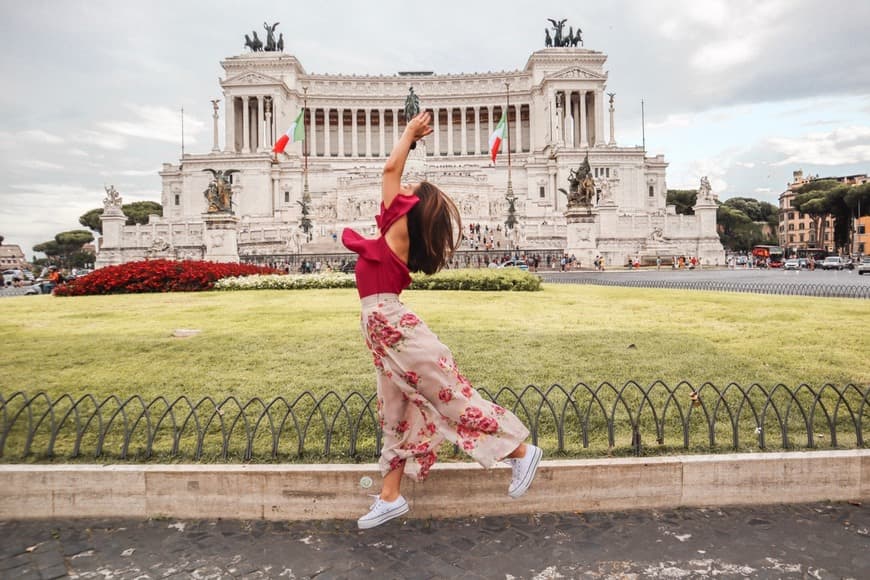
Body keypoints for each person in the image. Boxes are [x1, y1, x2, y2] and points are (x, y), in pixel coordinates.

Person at [342, 111, 542, 530]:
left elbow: (389, 168)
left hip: (397, 331)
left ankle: (520, 453)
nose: (401, 187)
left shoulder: (398, 232)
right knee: (394, 414)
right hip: (386, 337)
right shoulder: (390, 232)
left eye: (408, 190)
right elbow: (395, 175)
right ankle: (391, 497)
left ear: (410, 208)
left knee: (450, 398)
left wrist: (409, 135)